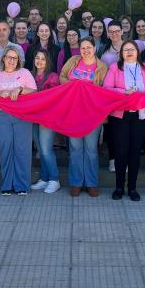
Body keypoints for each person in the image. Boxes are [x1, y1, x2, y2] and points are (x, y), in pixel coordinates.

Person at [103, 40, 145, 202]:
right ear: (121, 53)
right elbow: (106, 89)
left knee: (134, 152)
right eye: (125, 50)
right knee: (120, 151)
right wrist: (123, 92)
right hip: (121, 115)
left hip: (140, 116)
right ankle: (119, 187)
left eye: (132, 49)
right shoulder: (114, 68)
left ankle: (132, 187)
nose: (129, 52)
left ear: (138, 52)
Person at [60, 38, 108, 197]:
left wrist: (89, 89)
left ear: (95, 48)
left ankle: (91, 183)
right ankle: (76, 182)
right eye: (83, 48)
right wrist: (74, 86)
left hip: (93, 114)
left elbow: (105, 91)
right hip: (73, 112)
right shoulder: (73, 61)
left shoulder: (102, 67)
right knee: (75, 148)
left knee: (91, 149)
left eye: (89, 47)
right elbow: (62, 77)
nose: (86, 50)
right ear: (79, 50)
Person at [0, 44, 37, 195]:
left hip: (22, 116)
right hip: (2, 116)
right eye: (9, 57)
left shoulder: (25, 72)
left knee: (22, 150)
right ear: (3, 58)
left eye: (15, 58)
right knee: (6, 148)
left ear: (18, 60)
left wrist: (20, 89)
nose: (12, 60)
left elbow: (34, 90)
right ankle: (7, 185)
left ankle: (22, 185)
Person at [0, 21, 25, 170]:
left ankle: (6, 157)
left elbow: (21, 70)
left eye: (4, 30)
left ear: (9, 31)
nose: (1, 32)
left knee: (10, 129)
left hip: (13, 96)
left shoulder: (18, 49)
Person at [29, 50, 61, 194]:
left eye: (43, 58)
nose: (40, 61)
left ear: (47, 61)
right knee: (40, 150)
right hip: (32, 116)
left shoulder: (53, 76)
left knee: (47, 150)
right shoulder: (29, 74)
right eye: (37, 58)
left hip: (47, 118)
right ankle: (44, 178)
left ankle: (54, 180)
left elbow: (52, 98)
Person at [101, 20, 125, 172]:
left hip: (126, 94)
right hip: (107, 93)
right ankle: (112, 159)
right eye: (111, 31)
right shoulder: (103, 49)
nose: (114, 34)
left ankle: (123, 159)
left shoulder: (130, 47)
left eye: (117, 31)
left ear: (122, 31)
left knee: (123, 128)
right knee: (109, 128)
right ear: (108, 34)